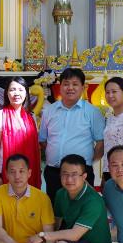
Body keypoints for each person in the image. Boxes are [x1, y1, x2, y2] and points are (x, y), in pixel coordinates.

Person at [39, 67, 105, 202]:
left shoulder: (92, 112)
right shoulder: (49, 111)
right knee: (55, 209)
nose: (70, 88)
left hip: (80, 174)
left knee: (81, 208)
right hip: (54, 173)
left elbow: (101, 143)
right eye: (66, 84)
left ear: (82, 87)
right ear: (60, 86)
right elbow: (43, 140)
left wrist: (87, 162)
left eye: (75, 84)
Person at [0, 76, 41, 189]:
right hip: (5, 172)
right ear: (7, 93)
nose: (16, 93)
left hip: (28, 172)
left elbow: (35, 147)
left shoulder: (31, 117)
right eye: (12, 90)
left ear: (26, 93)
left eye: (20, 90)